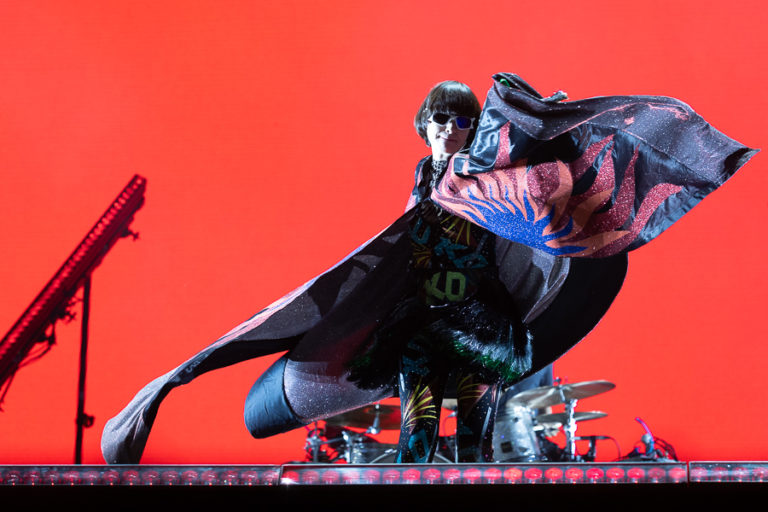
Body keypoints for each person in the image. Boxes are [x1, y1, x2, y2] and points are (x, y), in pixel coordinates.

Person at [101, 74, 755, 465]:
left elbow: (526, 166)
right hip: (422, 317)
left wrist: (535, 128)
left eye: (461, 121)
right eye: (440, 121)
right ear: (424, 127)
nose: (449, 130)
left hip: (483, 319)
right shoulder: (426, 179)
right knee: (408, 424)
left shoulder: (482, 170)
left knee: (471, 428)